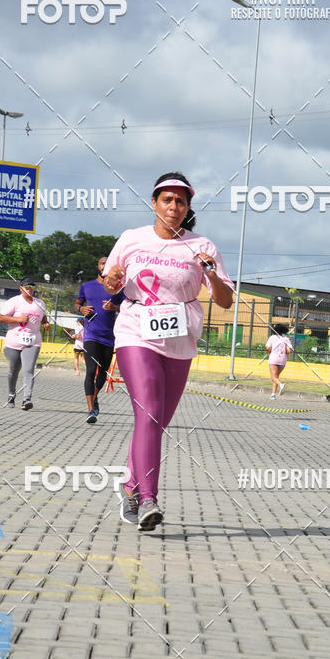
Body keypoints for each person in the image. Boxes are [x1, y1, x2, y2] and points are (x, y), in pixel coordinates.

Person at [103, 171, 233, 532]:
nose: (173, 207)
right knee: (148, 412)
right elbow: (111, 282)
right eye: (167, 199)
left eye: (180, 201)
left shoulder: (202, 246)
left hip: (180, 341)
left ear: (188, 206)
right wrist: (111, 279)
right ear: (154, 202)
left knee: (157, 422)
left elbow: (225, 301)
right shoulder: (132, 239)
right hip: (135, 330)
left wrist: (212, 274)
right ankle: (148, 498)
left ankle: (130, 487)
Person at [75, 257, 124, 424]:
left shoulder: (117, 289)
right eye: (102, 263)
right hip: (91, 336)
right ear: (98, 266)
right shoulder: (87, 286)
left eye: (107, 263)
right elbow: (77, 304)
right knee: (90, 370)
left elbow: (128, 307)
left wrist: (115, 307)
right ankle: (90, 410)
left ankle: (94, 397)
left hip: (109, 337)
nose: (104, 266)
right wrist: (81, 309)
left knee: (102, 373)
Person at [0, 278, 49, 410]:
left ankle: (26, 399)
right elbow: (1, 317)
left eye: (32, 286)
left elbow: (42, 316)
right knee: (13, 371)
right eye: (27, 286)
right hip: (14, 341)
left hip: (33, 341)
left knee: (28, 370)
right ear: (21, 288)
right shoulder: (14, 301)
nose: (30, 289)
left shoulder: (40, 303)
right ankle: (11, 394)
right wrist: (18, 319)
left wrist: (45, 323)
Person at [265, 325, 294, 398]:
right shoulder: (286, 339)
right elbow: (289, 351)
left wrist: (271, 351)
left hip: (274, 358)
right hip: (283, 360)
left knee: (273, 377)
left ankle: (281, 385)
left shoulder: (272, 337)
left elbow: (268, 348)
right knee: (276, 377)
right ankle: (273, 394)